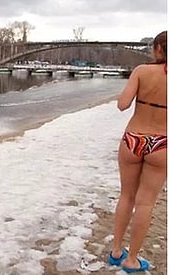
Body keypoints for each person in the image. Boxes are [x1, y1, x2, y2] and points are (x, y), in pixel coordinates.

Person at [108, 31, 167, 273]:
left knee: (126, 196)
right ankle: (132, 260)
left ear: (157, 49)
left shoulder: (142, 71)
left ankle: (116, 251)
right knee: (145, 204)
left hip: (133, 139)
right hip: (162, 143)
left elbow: (122, 104)